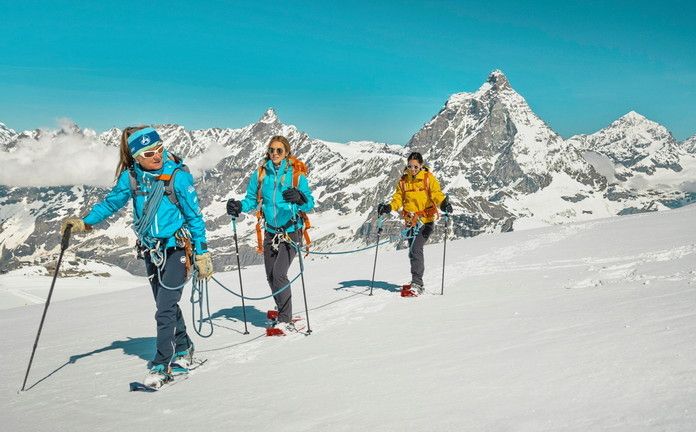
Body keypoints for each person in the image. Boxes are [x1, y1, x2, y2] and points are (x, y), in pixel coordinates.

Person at [60, 126, 213, 388]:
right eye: (149, 153)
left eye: (160, 149)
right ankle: (183, 347)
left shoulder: (178, 178)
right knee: (166, 304)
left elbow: (194, 217)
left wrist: (201, 253)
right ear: (136, 157)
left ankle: (162, 364)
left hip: (176, 248)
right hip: (151, 251)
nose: (157, 156)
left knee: (164, 308)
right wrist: (85, 223)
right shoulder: (132, 178)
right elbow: (111, 203)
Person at [226, 135, 314, 334]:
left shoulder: (296, 175)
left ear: (287, 153)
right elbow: (251, 199)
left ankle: (285, 319)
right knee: (270, 276)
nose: (274, 153)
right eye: (271, 150)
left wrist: (300, 198)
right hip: (270, 232)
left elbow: (309, 203)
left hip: (291, 231)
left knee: (279, 274)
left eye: (279, 150)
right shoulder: (260, 174)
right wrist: (239, 206)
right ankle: (283, 308)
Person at [377, 152, 452, 295]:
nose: (412, 169)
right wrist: (389, 207)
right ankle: (415, 281)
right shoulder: (403, 181)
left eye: (415, 166)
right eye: (410, 166)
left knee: (416, 249)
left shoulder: (428, 179)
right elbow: (398, 198)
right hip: (410, 222)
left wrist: (443, 204)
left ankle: (418, 284)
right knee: (412, 251)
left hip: (425, 221)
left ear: (421, 165)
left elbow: (436, 194)